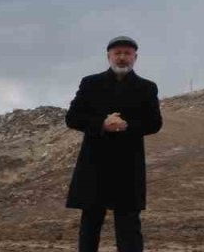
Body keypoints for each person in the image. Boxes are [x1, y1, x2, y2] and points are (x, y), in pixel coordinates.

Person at [65, 36, 162, 252]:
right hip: (94, 163)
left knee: (129, 225)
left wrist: (126, 125)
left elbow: (154, 123)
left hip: (128, 165)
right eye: (117, 53)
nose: (122, 58)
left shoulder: (147, 88)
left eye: (127, 53)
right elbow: (72, 118)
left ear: (135, 58)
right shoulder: (90, 83)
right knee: (90, 222)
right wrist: (102, 123)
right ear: (108, 56)